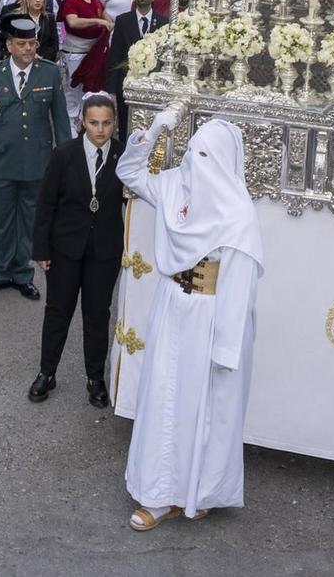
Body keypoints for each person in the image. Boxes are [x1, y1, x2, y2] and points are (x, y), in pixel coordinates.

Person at [116, 112, 265, 532]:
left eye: (205, 154)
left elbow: (240, 289)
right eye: (192, 150)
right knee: (164, 397)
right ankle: (158, 493)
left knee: (202, 409)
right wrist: (156, 128)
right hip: (171, 305)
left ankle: (194, 492)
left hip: (212, 318)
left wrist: (225, 350)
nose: (196, 161)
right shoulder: (175, 185)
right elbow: (128, 172)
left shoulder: (237, 215)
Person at [29, 93, 124, 408]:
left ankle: (95, 377)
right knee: (58, 311)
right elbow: (46, 204)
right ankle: (47, 371)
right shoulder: (64, 155)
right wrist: (41, 248)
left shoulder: (123, 157)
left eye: (106, 123)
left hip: (104, 252)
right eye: (94, 122)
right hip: (65, 248)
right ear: (82, 121)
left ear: (114, 123)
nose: (100, 130)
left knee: (97, 314)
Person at [0, 15, 70, 300]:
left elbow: (60, 119)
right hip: (3, 161)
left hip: (38, 162)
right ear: (9, 46)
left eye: (32, 43)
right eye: (22, 44)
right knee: (1, 219)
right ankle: (0, 272)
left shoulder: (49, 73)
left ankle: (23, 274)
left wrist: (67, 160)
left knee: (30, 218)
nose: (28, 49)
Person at [104, 0, 166, 108]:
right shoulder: (122, 21)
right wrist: (112, 90)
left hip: (154, 87)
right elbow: (115, 56)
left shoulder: (163, 22)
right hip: (127, 85)